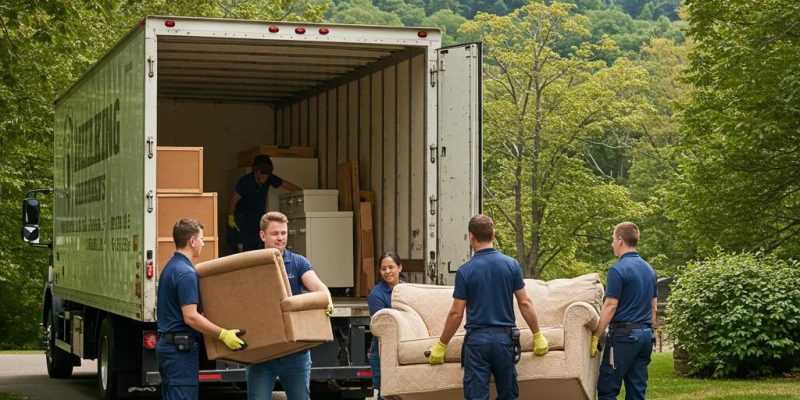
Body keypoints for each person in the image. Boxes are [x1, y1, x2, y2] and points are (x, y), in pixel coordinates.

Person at [427, 214, 550, 400]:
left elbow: (456, 314)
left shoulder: (465, 271)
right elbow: (525, 303)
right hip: (504, 340)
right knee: (508, 395)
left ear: (471, 237)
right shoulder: (511, 265)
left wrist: (442, 344)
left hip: (477, 342)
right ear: (494, 234)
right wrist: (537, 335)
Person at [246, 211, 334, 400]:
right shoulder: (250, 264)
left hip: (295, 352)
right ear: (263, 235)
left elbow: (318, 287)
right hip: (262, 351)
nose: (280, 238)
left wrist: (326, 297)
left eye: (283, 233)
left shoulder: (298, 262)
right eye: (275, 233)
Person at [156, 218, 245, 400]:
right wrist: (223, 334)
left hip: (169, 348)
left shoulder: (171, 267)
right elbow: (191, 317)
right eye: (202, 239)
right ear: (192, 241)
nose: (203, 243)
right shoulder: (186, 273)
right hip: (180, 351)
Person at [591, 222, 657, 400]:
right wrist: (650, 331)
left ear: (620, 240)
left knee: (607, 389)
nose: (612, 243)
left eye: (613, 239)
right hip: (646, 337)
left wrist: (596, 335)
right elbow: (654, 307)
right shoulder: (649, 270)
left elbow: (610, 305)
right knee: (636, 391)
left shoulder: (617, 270)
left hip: (623, 337)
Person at [228, 154, 301, 252]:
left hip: (258, 217)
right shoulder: (245, 182)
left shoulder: (269, 177)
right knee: (246, 248)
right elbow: (234, 200)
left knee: (260, 246)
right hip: (243, 219)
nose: (265, 177)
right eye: (262, 173)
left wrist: (304, 193)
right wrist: (231, 217)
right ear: (256, 170)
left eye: (267, 174)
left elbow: (285, 184)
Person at [367, 251, 404, 400]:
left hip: (404, 346)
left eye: (391, 267)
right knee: (386, 393)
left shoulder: (407, 290)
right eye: (383, 268)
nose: (387, 271)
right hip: (384, 350)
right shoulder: (377, 294)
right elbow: (382, 328)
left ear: (400, 268)